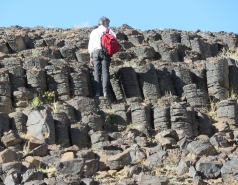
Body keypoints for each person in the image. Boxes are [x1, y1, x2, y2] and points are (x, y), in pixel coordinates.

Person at [88, 16, 116, 98]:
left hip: (95, 53)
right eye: (108, 22)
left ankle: (97, 93)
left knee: (97, 73)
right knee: (105, 73)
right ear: (106, 23)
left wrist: (90, 57)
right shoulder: (110, 31)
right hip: (106, 53)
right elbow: (114, 42)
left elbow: (90, 46)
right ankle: (105, 93)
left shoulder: (94, 32)